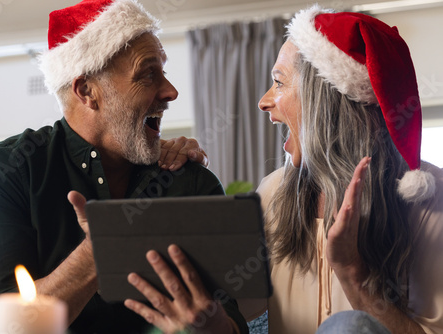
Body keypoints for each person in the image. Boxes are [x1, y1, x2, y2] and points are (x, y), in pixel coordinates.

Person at [131, 5, 443, 334]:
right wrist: (176, 178)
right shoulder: (272, 193)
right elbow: (234, 312)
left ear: (324, 102)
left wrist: (354, 275)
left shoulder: (429, 202)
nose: (264, 101)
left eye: (279, 83)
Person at [0, 0, 247, 333]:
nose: (171, 91)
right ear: (87, 91)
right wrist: (100, 251)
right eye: (148, 74)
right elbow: (3, 326)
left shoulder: (190, 180)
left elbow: (232, 320)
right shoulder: (5, 172)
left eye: (164, 72)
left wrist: (212, 327)